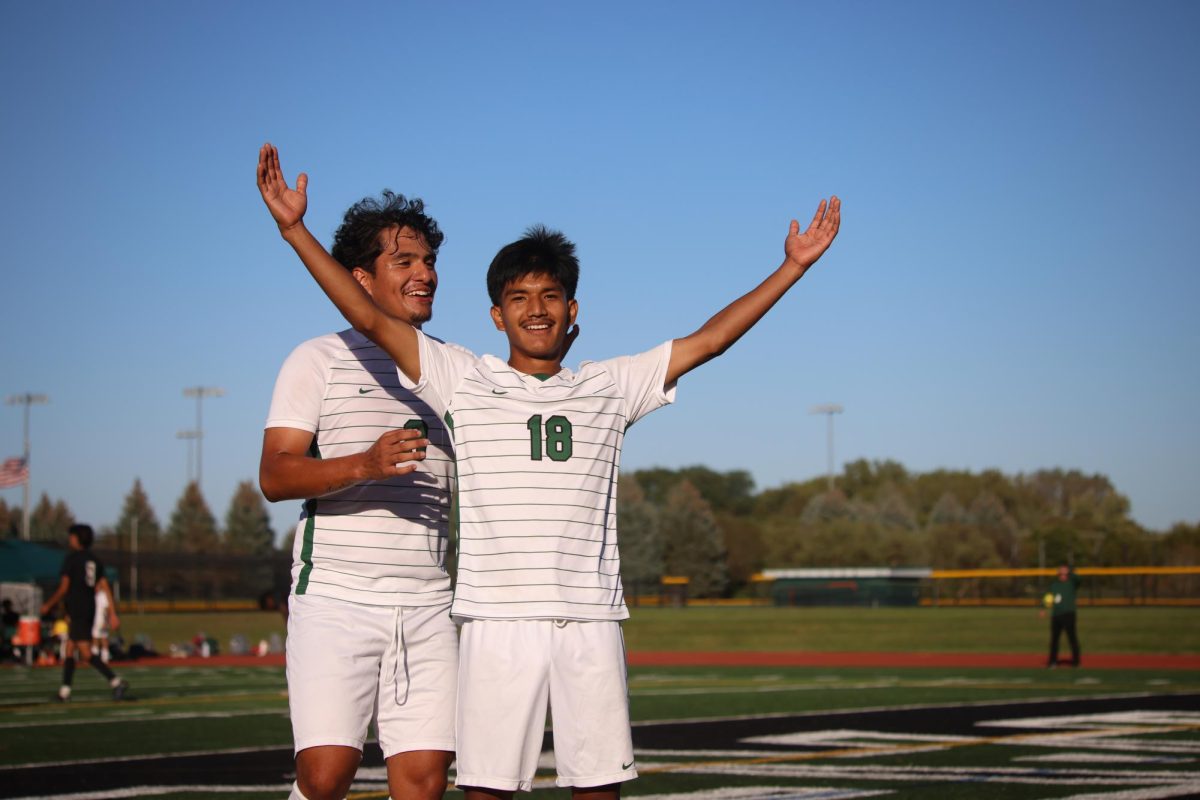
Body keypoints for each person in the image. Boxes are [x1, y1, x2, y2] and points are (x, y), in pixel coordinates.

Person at [258, 142, 840, 799]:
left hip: (586, 619)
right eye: (519, 298)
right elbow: (365, 316)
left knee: (591, 787)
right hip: (490, 621)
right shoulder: (462, 379)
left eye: (551, 296)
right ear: (496, 315)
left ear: (573, 311)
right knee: (480, 788)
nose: (536, 309)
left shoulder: (609, 385)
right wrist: (293, 230)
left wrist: (789, 269)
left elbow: (709, 340)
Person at [258, 144, 479, 800]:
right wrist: (362, 464)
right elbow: (275, 475)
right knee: (325, 779)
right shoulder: (316, 359)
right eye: (404, 260)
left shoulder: (456, 369)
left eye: (430, 261)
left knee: (423, 782)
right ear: (359, 277)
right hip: (336, 597)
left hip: (428, 603)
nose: (426, 274)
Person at [39, 524, 129, 701]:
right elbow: (105, 586)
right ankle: (65, 691)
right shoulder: (94, 560)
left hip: (79, 608)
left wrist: (48, 604)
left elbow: (64, 587)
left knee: (86, 653)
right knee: (70, 649)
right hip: (88, 607)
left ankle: (116, 682)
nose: (70, 539)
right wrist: (112, 612)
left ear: (77, 538)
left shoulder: (71, 559)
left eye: (71, 536)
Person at [1043, 563, 1081, 667]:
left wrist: (1071, 570)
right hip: (1056, 615)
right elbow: (1048, 597)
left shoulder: (1072, 582)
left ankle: (1076, 661)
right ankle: (1052, 661)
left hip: (1069, 614)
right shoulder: (1054, 584)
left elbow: (1079, 579)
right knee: (1054, 639)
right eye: (1061, 569)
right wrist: (1044, 608)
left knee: (1072, 638)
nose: (1063, 571)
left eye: (1065, 569)